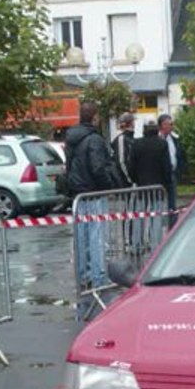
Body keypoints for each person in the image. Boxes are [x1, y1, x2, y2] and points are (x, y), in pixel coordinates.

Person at [64, 102, 121, 297]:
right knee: (97, 236)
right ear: (95, 117)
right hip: (94, 192)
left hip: (78, 193)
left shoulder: (71, 137)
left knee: (82, 236)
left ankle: (84, 275)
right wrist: (109, 185)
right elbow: (98, 167)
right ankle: (98, 277)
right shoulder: (94, 139)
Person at [128, 122, 173, 235]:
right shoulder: (162, 144)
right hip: (158, 187)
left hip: (141, 186)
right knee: (156, 216)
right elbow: (166, 166)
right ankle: (155, 242)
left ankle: (137, 244)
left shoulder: (136, 144)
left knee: (139, 215)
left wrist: (135, 179)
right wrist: (167, 183)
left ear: (144, 130)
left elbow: (131, 166)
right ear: (157, 129)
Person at [158, 113, 187, 228]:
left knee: (172, 203)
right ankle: (159, 228)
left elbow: (180, 156)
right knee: (159, 204)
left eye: (171, 124)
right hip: (159, 177)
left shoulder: (175, 139)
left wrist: (180, 171)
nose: (171, 126)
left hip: (172, 175)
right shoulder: (157, 140)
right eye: (169, 124)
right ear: (162, 126)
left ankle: (172, 227)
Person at [111, 112, 137, 185]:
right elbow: (121, 162)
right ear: (131, 123)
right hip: (124, 183)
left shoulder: (130, 138)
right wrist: (130, 180)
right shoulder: (122, 139)